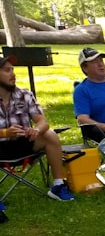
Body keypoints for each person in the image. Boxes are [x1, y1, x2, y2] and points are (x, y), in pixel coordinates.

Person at [0, 54, 73, 214]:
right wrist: (5, 132)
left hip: (24, 143)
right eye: (7, 70)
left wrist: (37, 130)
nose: (13, 74)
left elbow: (43, 122)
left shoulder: (25, 95)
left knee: (50, 135)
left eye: (13, 70)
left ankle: (58, 185)